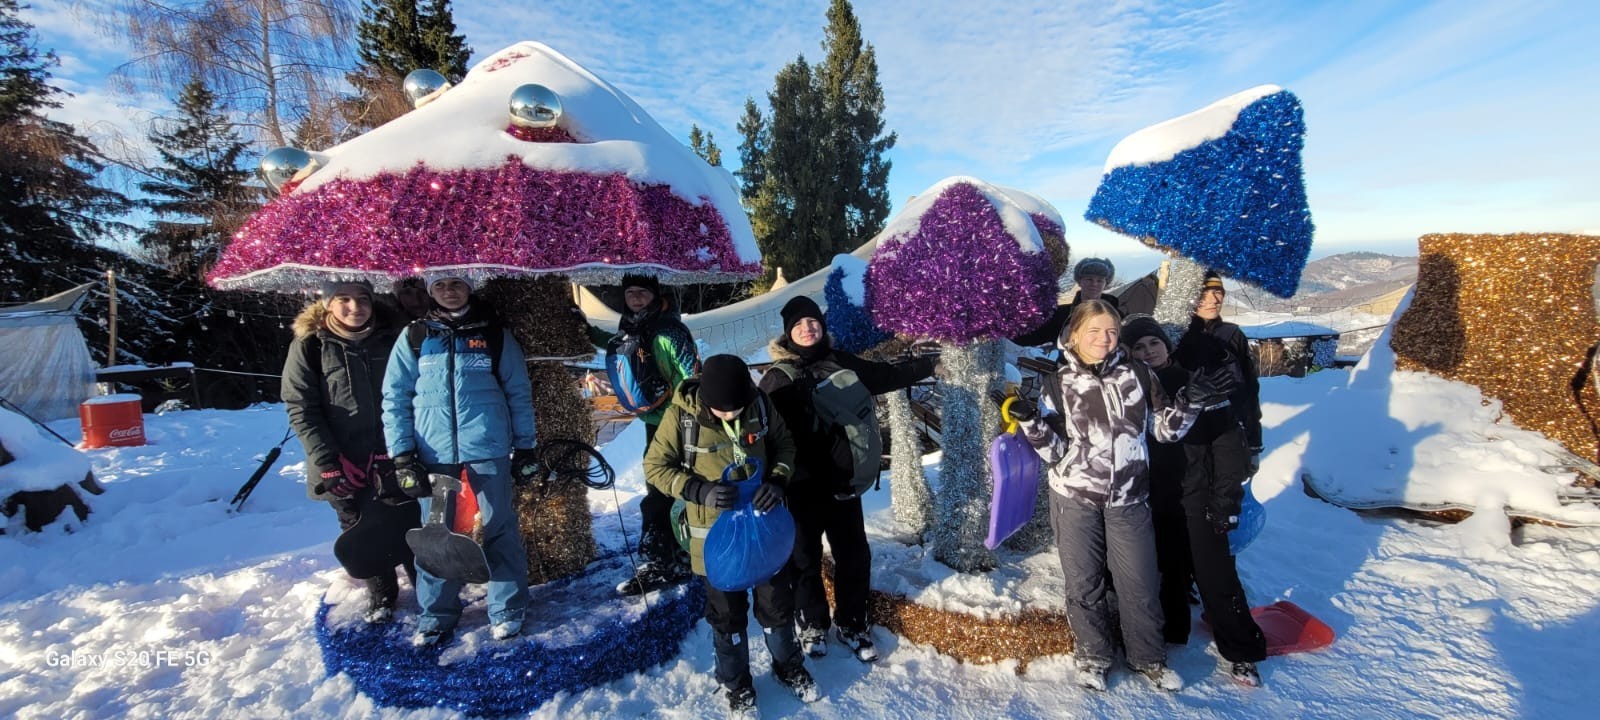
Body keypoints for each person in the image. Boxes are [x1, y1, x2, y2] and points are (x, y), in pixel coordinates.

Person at [1009, 300, 1233, 692]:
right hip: (1074, 497)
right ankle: (1093, 656)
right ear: (1074, 335)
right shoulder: (1057, 384)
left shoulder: (1139, 375)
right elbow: (1054, 452)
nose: (1104, 339)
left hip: (1129, 498)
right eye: (1094, 331)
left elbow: (1166, 431)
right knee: (1084, 583)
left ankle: (1148, 658)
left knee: (1140, 583)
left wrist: (1190, 402)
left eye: (1111, 331)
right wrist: (1031, 423)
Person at [758, 296, 935, 662]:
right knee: (804, 558)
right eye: (798, 325)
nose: (807, 328)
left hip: (843, 481)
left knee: (853, 554)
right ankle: (812, 623)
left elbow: (886, 376)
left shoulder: (842, 361)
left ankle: (853, 622)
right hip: (800, 486)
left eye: (812, 321)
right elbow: (760, 430)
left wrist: (930, 365)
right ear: (788, 333)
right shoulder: (776, 377)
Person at [643, 354, 815, 716]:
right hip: (716, 542)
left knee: (777, 606)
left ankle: (788, 666)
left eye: (736, 408)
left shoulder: (760, 405)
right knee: (727, 616)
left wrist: (778, 480)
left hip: (763, 532)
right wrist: (697, 489)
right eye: (721, 410)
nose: (729, 415)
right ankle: (737, 685)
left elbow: (784, 445)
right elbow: (655, 467)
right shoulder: (681, 416)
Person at [381, 275, 538, 646]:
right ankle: (436, 615)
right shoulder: (415, 336)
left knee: (499, 526)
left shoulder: (495, 334)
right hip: (433, 453)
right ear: (429, 291)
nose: (449, 291)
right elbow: (395, 398)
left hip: (488, 447)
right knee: (435, 534)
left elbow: (518, 391)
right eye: (439, 285)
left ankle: (507, 609)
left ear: (470, 287)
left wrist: (526, 446)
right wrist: (401, 455)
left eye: (456, 283)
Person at [282, 279, 416, 624]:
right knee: (359, 526)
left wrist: (393, 450)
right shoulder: (310, 345)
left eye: (362, 298)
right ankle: (381, 591)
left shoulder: (393, 337)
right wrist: (329, 461)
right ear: (327, 303)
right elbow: (301, 407)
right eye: (343, 298)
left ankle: (425, 587)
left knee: (406, 517)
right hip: (340, 457)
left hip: (393, 451)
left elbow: (409, 394)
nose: (355, 307)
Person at [1170, 272, 1268, 686]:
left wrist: (1253, 439)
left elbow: (1248, 391)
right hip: (1174, 458)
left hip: (1219, 448)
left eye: (1218, 292)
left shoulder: (1232, 336)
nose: (1213, 299)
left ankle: (1241, 648)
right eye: (1204, 293)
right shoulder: (1172, 334)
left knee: (1215, 558)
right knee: (1173, 550)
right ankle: (1172, 628)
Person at [589, 273, 701, 595]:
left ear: (655, 294)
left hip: (678, 423)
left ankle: (671, 558)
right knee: (659, 489)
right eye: (630, 293)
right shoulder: (632, 327)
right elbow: (616, 343)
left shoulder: (669, 331)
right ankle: (669, 556)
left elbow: (692, 376)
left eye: (642, 292)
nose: (636, 297)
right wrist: (586, 331)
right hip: (653, 421)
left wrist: (688, 418)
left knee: (667, 491)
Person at [1120, 315, 1195, 646]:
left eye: (1154, 343)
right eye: (1139, 346)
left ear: (1167, 345)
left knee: (1172, 557)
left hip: (1178, 482)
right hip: (1137, 483)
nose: (1149, 351)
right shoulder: (1127, 384)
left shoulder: (1185, 382)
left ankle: (1175, 629)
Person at [1012, 257, 1121, 347]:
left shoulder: (1117, 316)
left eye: (1100, 280)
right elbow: (1034, 337)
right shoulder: (1062, 314)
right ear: (1079, 281)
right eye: (1089, 279)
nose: (1094, 284)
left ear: (1105, 284)